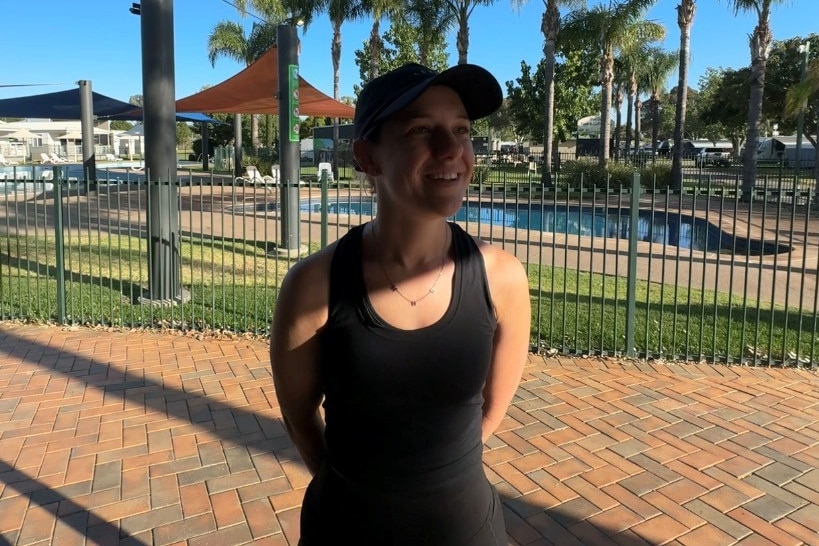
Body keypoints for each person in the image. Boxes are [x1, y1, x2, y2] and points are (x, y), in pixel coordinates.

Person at [270, 62, 531, 545]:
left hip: (467, 530)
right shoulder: (314, 285)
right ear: (368, 157)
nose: (451, 149)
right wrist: (359, 485)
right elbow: (299, 416)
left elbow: (491, 409)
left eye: (461, 130)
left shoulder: (502, 279)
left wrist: (434, 475)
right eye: (421, 129)